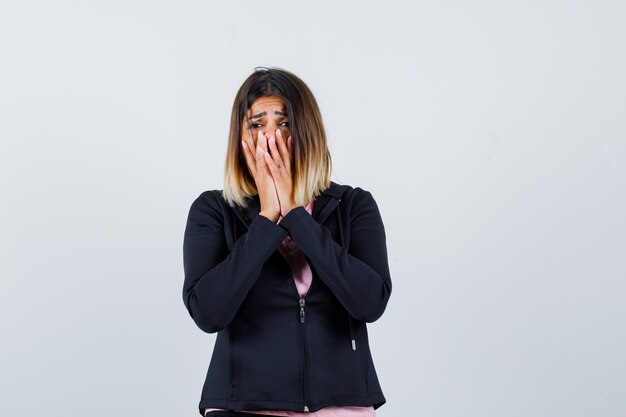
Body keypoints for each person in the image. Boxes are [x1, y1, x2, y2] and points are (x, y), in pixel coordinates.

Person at [182, 67, 392, 417]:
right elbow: (208, 313)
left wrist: (295, 214)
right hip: (242, 406)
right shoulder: (214, 210)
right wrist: (266, 219)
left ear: (306, 130)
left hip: (342, 403)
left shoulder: (354, 205)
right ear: (241, 137)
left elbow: (370, 303)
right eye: (257, 124)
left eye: (283, 123)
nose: (271, 137)